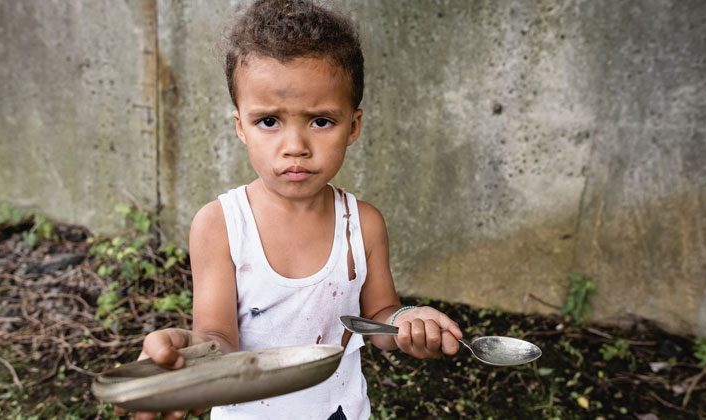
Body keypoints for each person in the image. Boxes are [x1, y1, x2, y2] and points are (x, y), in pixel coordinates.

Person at [119, 0, 462, 418]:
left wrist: (411, 321)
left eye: (320, 121)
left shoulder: (363, 225)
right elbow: (218, 337)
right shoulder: (220, 226)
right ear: (240, 126)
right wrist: (194, 357)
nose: (295, 146)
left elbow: (379, 316)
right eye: (269, 122)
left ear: (353, 127)